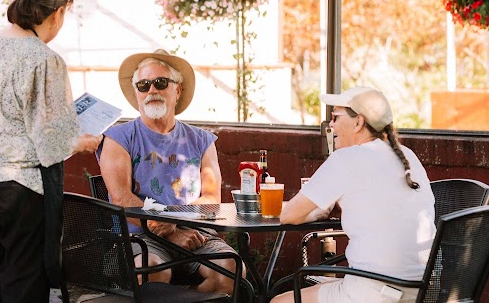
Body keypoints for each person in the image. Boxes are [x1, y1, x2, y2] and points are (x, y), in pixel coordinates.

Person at [0, 0, 103, 303]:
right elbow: (53, 141)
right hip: (19, 188)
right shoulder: (44, 59)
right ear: (58, 12)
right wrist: (85, 141)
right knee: (23, 285)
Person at [272, 86, 436, 303]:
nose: (331, 124)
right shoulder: (408, 156)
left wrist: (317, 214)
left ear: (358, 122)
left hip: (377, 290)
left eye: (335, 117)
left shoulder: (345, 159)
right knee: (326, 282)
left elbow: (288, 215)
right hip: (424, 290)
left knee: (279, 301)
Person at [98, 49, 240, 295]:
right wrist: (170, 233)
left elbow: (211, 198)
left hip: (195, 233)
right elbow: (122, 199)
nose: (151, 90)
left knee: (229, 270)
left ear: (177, 90)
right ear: (137, 93)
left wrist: (177, 226)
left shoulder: (202, 140)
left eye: (160, 83)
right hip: (140, 237)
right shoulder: (118, 138)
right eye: (143, 85)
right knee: (152, 269)